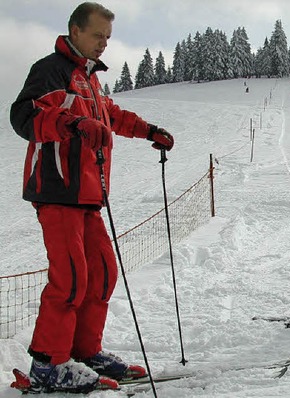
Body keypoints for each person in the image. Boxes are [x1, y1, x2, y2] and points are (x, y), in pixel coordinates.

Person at [10, 2, 174, 393]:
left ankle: (84, 352)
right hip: (57, 189)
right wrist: (71, 123)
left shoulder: (90, 79)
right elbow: (23, 116)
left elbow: (109, 116)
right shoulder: (51, 69)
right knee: (69, 279)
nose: (103, 44)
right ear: (75, 30)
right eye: (97, 35)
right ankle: (48, 365)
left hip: (88, 194)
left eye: (107, 38)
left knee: (101, 273)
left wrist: (148, 130)